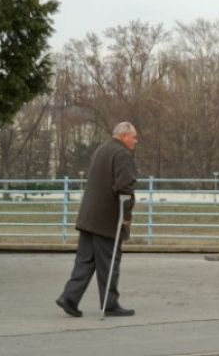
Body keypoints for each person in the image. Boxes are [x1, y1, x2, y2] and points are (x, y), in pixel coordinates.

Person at [56, 122, 138, 317]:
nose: (135, 141)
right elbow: (124, 187)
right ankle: (109, 304)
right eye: (134, 137)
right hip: (107, 220)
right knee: (109, 262)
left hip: (88, 217)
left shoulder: (102, 149)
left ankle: (69, 297)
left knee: (85, 260)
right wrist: (125, 216)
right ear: (125, 136)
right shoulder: (122, 154)